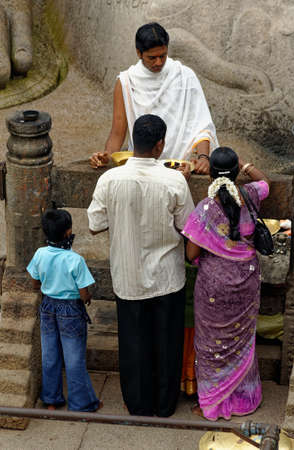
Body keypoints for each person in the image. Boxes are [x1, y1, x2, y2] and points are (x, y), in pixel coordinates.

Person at [88, 114, 195, 417]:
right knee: (166, 342)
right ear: (160, 145)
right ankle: (165, 405)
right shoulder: (174, 180)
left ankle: (137, 403)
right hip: (167, 277)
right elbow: (188, 226)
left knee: (134, 343)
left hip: (129, 275)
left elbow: (95, 224)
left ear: (134, 142)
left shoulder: (109, 179)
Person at [182, 147, 271, 421]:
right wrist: (245, 164)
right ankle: (244, 398)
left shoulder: (206, 208)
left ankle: (212, 402)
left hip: (214, 287)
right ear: (235, 173)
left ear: (210, 174)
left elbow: (191, 254)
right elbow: (265, 181)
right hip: (246, 280)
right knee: (242, 339)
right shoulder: (250, 195)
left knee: (211, 344)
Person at [90, 22, 218, 175]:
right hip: (143, 165)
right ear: (139, 53)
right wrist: (106, 157)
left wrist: (204, 157)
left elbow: (201, 125)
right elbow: (117, 132)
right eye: (152, 58)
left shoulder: (185, 76)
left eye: (162, 56)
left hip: (183, 165)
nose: (158, 62)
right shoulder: (126, 82)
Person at [27, 209, 101, 412]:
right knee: (74, 358)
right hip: (70, 310)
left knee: (50, 354)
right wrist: (87, 299)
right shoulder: (75, 260)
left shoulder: (39, 253)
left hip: (47, 306)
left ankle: (51, 399)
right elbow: (84, 293)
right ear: (68, 232)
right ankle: (81, 403)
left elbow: (35, 282)